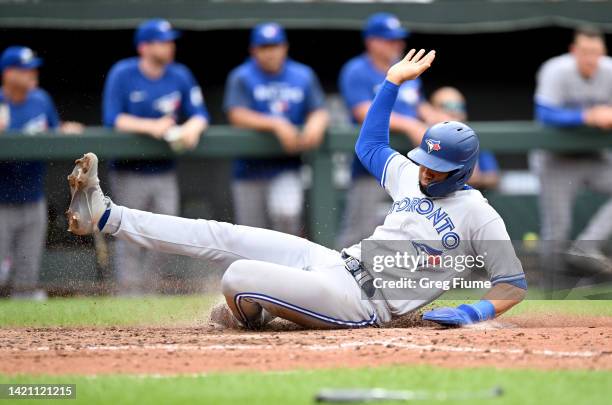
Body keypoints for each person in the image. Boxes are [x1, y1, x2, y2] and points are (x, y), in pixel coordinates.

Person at [66, 49, 526, 329]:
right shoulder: (412, 174)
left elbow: (512, 284)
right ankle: (106, 216)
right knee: (224, 233)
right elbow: (371, 144)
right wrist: (391, 83)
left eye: (436, 169)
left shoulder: (478, 214)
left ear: (461, 171)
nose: (425, 172)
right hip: (336, 262)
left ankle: (251, 313)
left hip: (361, 303)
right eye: (424, 162)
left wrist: (474, 311)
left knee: (237, 275)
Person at [102, 19, 209, 294]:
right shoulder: (123, 73)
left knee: (166, 235)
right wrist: (153, 127)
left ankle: (150, 292)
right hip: (129, 170)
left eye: (170, 41)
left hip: (164, 171)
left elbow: (199, 114)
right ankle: (129, 295)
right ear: (144, 47)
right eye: (162, 41)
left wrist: (191, 128)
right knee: (128, 235)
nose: (169, 46)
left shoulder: (180, 74)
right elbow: (113, 119)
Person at [336, 12, 449, 248]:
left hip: (411, 165)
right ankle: (336, 275)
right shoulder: (357, 70)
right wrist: (409, 125)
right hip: (373, 166)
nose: (397, 44)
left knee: (412, 227)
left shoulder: (406, 69)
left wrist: (438, 118)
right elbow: (362, 111)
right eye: (390, 39)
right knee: (360, 231)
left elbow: (418, 106)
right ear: (372, 41)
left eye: (399, 39)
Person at [223, 22, 329, 235]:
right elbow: (236, 114)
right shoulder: (241, 76)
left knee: (287, 213)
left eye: (274, 46)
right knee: (250, 234)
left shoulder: (302, 74)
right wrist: (277, 124)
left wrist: (316, 123)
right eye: (264, 47)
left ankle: (286, 267)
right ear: (254, 50)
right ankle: (255, 270)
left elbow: (318, 109)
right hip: (248, 168)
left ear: (284, 47)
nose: (270, 53)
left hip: (286, 165)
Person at [0, 46, 83, 300]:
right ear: (8, 73)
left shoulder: (40, 99)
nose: (32, 73)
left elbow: (52, 133)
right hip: (1, 200)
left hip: (33, 196)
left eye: (33, 68)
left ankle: (24, 334)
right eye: (25, 69)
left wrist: (64, 132)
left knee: (27, 275)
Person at [533, 27, 612, 274]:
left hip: (595, 157)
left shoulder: (609, 70)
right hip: (557, 159)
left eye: (596, 53)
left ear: (603, 53)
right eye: (585, 52)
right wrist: (587, 116)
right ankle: (550, 293)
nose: (590, 58)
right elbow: (544, 113)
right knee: (557, 229)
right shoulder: (556, 69)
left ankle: (586, 246)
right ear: (574, 51)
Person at [430, 87, 499, 190]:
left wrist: (477, 178)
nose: (454, 112)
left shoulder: (472, 139)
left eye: (459, 107)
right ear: (431, 110)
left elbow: (494, 177)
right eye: (447, 106)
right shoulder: (423, 139)